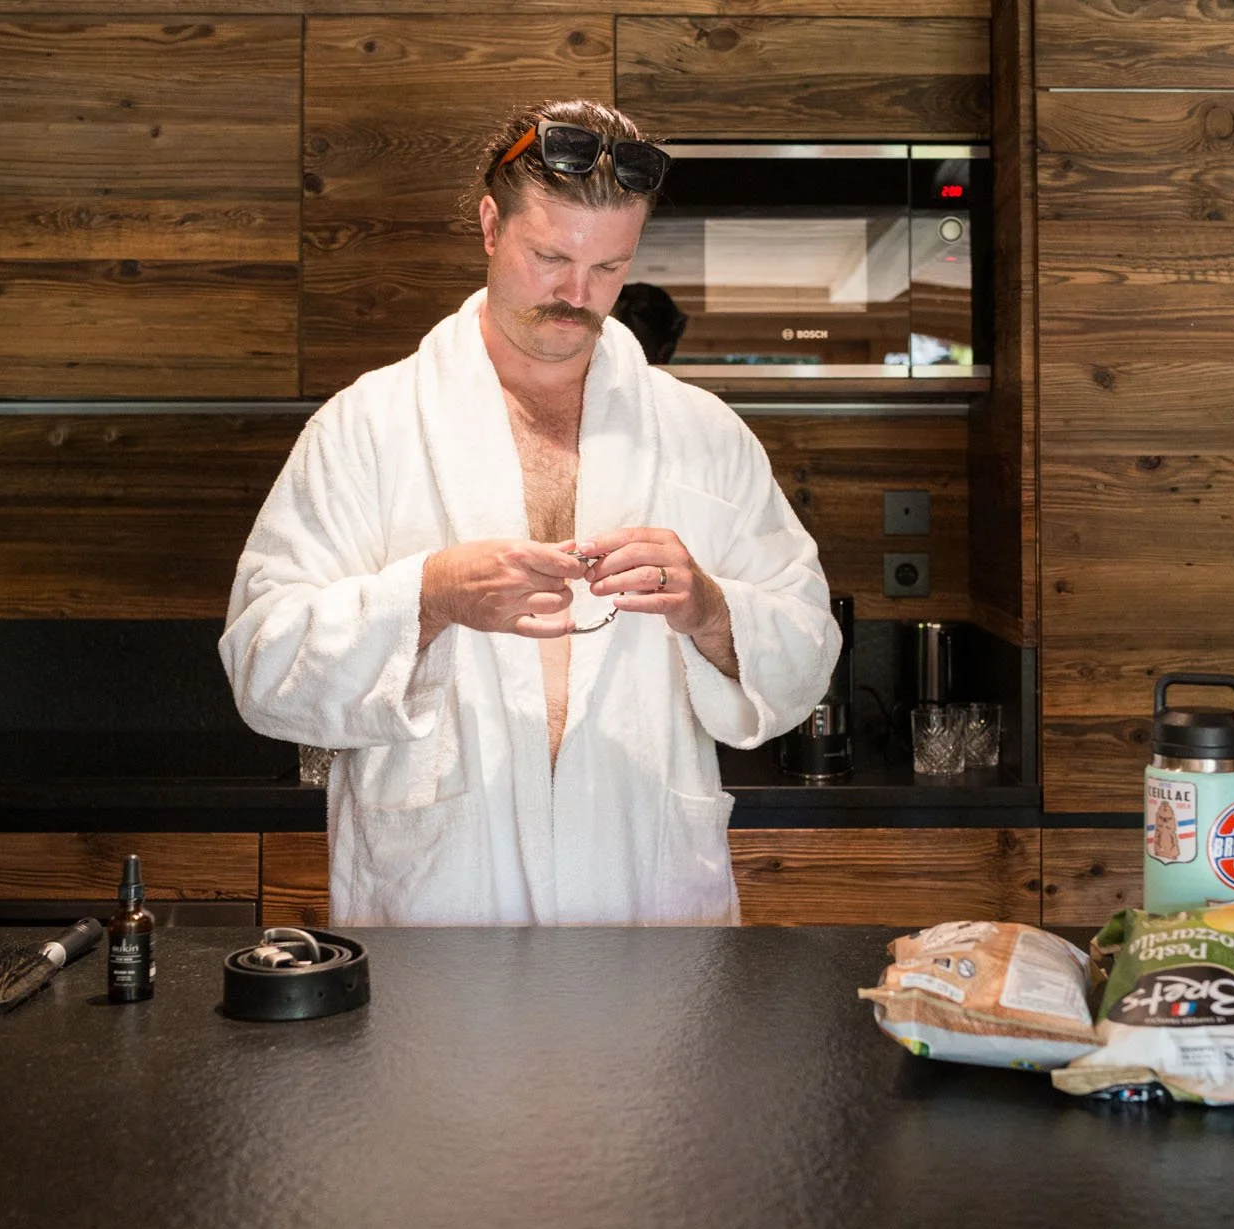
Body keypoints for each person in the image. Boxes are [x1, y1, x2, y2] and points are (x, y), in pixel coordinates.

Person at [219, 101, 839, 926]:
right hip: (440, 916)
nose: (577, 296)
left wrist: (712, 611)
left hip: (645, 911)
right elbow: (263, 667)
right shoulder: (367, 428)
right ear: (489, 225)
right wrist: (428, 597)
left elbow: (807, 651)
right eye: (549, 256)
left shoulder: (704, 437)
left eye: (609, 268)